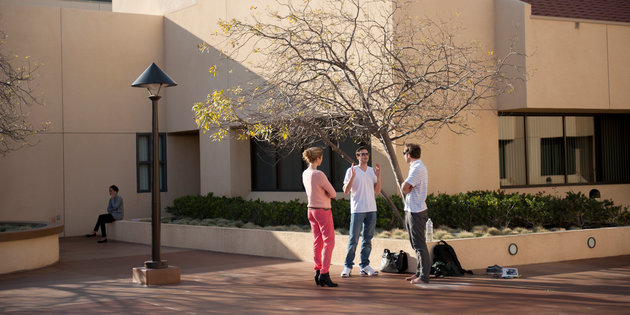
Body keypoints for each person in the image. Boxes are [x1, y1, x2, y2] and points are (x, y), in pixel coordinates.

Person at [340, 146, 381, 277]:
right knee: (353, 240)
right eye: (362, 154)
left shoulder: (371, 171)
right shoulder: (351, 170)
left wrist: (378, 176)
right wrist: (352, 176)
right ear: (357, 156)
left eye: (366, 154)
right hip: (357, 210)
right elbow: (346, 191)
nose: (365, 156)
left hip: (371, 209)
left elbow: (378, 190)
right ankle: (347, 266)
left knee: (367, 240)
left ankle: (364, 265)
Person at [302, 147, 338, 287]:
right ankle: (325, 273)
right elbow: (333, 193)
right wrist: (328, 195)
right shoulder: (319, 174)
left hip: (311, 210)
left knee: (317, 241)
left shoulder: (305, 173)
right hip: (322, 210)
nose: (322, 159)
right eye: (321, 157)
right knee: (329, 241)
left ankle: (318, 270)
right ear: (318, 158)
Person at [400, 143, 430, 284]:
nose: (403, 156)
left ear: (409, 154)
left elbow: (404, 188)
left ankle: (424, 276)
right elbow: (408, 188)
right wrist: (409, 186)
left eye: (404, 153)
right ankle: (419, 272)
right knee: (415, 243)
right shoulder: (415, 167)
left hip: (417, 211)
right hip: (412, 209)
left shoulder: (417, 168)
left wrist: (408, 186)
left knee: (419, 244)